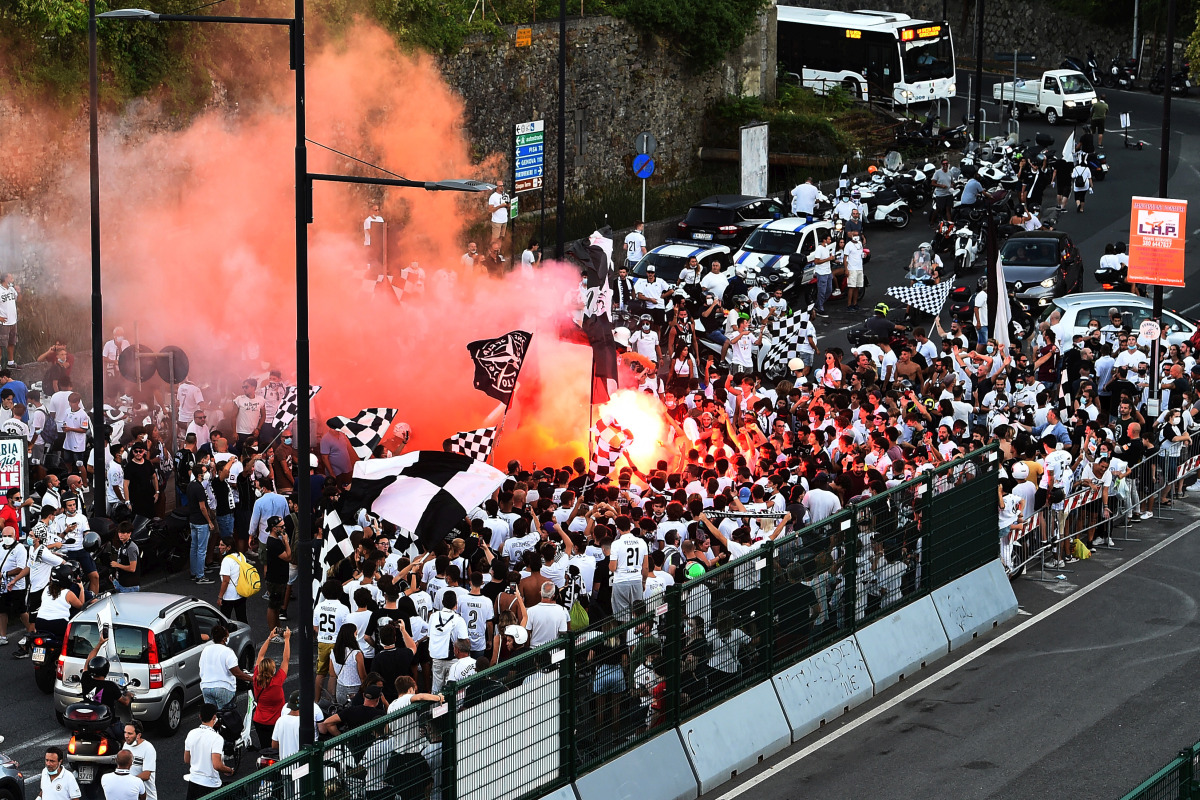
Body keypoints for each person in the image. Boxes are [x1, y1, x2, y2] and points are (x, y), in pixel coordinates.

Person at [183, 703, 233, 800]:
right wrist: (229, 770)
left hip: (193, 782)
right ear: (214, 717)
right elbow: (217, 765)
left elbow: (186, 760)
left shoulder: (191, 733)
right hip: (211, 785)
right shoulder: (216, 738)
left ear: (200, 716)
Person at [251, 628, 290, 749]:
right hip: (275, 722)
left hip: (259, 720)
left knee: (265, 748)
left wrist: (269, 638)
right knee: (277, 748)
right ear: (273, 670)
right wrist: (287, 640)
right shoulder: (277, 681)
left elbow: (260, 655)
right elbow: (286, 660)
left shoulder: (256, 678)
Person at [198, 624, 252, 712]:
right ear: (224, 639)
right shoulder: (228, 652)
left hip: (206, 687)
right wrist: (252, 679)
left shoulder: (206, 650)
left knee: (212, 716)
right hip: (223, 688)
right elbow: (237, 672)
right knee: (226, 716)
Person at [427, 593, 468, 692]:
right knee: (450, 690)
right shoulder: (459, 620)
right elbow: (464, 642)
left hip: (436, 657)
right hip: (453, 659)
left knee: (436, 689)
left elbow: (429, 636)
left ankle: (435, 707)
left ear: (442, 603)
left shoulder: (434, 616)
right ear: (456, 604)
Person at [525, 581, 570, 647]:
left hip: (534, 651)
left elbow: (527, 634)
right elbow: (564, 633)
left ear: (540, 593)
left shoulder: (530, 611)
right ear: (554, 596)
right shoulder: (562, 611)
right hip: (554, 651)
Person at [121, 722, 157, 800]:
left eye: (130, 733)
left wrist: (128, 782)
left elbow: (146, 775)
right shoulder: (126, 745)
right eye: (125, 732)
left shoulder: (148, 748)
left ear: (138, 735)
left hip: (147, 796)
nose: (126, 736)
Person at [216, 538, 249, 622]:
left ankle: (225, 635)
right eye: (219, 544)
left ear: (229, 547)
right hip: (241, 592)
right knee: (242, 619)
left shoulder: (226, 560)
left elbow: (226, 580)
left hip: (229, 596)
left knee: (224, 620)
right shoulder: (241, 556)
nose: (219, 547)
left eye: (222, 545)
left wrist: (220, 597)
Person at [110, 521, 140, 593]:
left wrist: (117, 565)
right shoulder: (123, 545)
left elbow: (132, 568)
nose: (120, 535)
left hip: (129, 586)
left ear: (129, 533)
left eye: (123, 533)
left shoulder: (131, 548)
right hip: (121, 583)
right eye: (119, 533)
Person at [809, 230, 834, 317]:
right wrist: (828, 259)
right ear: (824, 240)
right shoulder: (819, 249)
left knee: (829, 290)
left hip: (828, 272)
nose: (830, 240)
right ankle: (820, 308)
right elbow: (816, 261)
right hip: (822, 273)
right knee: (822, 291)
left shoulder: (826, 248)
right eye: (828, 239)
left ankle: (818, 305)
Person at [931, 158, 954, 223]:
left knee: (948, 209)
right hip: (940, 194)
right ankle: (932, 222)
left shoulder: (950, 172)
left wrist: (952, 185)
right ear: (941, 165)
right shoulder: (937, 172)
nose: (945, 165)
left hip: (949, 193)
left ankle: (949, 224)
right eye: (944, 164)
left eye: (946, 164)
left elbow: (952, 181)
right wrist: (941, 186)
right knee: (938, 209)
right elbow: (933, 183)